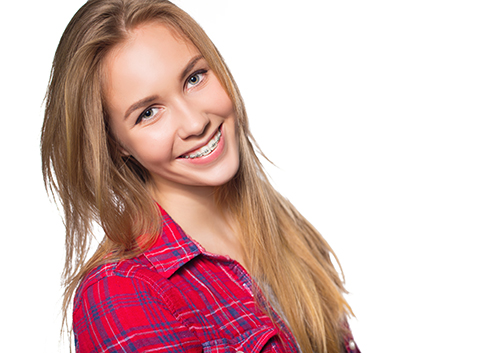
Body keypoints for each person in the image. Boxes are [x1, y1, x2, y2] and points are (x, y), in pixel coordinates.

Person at [41, 0, 360, 352]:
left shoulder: (285, 229)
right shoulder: (121, 291)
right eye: (148, 113)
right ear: (116, 144)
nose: (196, 123)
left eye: (194, 78)